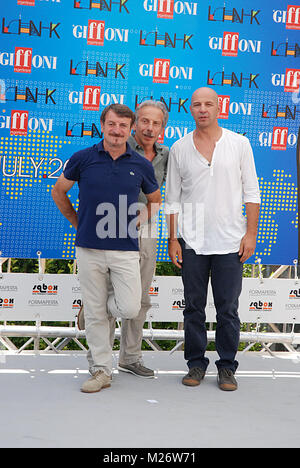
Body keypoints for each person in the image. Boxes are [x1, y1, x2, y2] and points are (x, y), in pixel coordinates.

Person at [51, 104, 162, 393]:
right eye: (112, 124)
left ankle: (94, 306)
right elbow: (59, 191)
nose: (117, 131)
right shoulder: (82, 158)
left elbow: (156, 200)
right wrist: (77, 221)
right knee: (99, 317)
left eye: (123, 126)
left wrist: (144, 216)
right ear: (103, 125)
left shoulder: (141, 164)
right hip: (88, 248)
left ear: (131, 130)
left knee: (129, 306)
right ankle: (101, 370)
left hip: (125, 248)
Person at [165, 87, 260, 391]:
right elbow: (172, 198)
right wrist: (173, 239)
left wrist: (250, 235)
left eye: (209, 104)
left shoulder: (240, 144)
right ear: (189, 110)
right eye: (197, 105)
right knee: (193, 307)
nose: (202, 109)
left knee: (228, 309)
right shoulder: (180, 148)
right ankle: (195, 364)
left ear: (220, 107)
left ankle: (227, 367)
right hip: (192, 242)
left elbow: (252, 192)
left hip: (231, 242)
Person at [77, 100, 169, 378]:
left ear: (163, 127)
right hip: (109, 225)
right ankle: (98, 363)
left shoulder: (167, 155)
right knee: (102, 295)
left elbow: (163, 197)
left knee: (138, 300)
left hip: (146, 226)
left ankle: (130, 357)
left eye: (156, 123)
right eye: (144, 121)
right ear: (134, 122)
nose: (149, 127)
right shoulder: (117, 145)